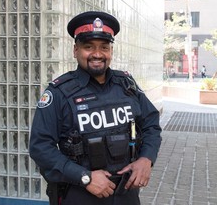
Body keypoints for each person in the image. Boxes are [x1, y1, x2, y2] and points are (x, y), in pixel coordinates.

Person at [29, 11, 162, 205]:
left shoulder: (126, 85)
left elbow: (151, 123)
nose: (97, 54)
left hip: (126, 193)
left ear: (110, 51)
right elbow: (40, 147)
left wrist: (146, 159)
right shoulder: (58, 93)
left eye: (104, 47)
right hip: (80, 193)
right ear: (76, 50)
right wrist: (85, 177)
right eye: (88, 47)